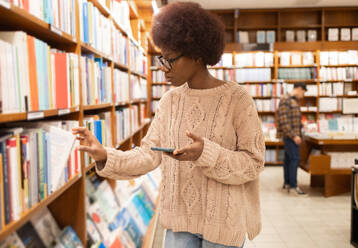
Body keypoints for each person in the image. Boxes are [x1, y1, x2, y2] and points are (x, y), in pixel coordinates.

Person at [72, 2, 265, 248]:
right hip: (177, 222)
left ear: (197, 54)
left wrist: (206, 153)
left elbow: (253, 163)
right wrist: (105, 156)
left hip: (223, 225)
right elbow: (148, 155)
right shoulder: (169, 101)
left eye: (170, 60)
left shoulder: (237, 99)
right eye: (161, 58)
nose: (163, 68)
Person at [277, 82, 307, 195]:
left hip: (293, 134)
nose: (303, 95)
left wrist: (301, 126)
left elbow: (292, 119)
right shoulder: (286, 99)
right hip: (290, 136)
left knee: (289, 159)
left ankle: (287, 183)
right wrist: (294, 135)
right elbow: (283, 121)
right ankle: (293, 187)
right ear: (299, 88)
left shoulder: (293, 100)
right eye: (303, 92)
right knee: (295, 159)